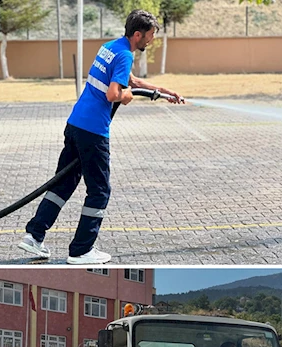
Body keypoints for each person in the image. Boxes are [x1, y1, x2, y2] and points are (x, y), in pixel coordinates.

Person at [18, 9, 183, 264]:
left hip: (75, 124)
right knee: (100, 190)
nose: (150, 41)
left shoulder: (111, 47)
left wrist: (162, 90)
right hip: (94, 131)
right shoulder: (126, 55)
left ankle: (34, 236)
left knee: (62, 184)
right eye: (149, 36)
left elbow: (130, 79)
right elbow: (114, 93)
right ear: (138, 34)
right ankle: (82, 250)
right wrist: (126, 96)